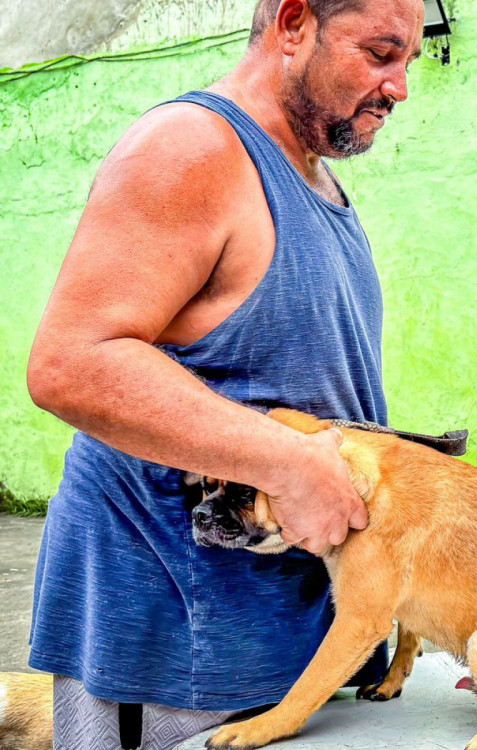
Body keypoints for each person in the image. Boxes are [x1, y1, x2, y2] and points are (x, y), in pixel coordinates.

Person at [25, 0, 424, 746]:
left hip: (294, 643)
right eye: (379, 53)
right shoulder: (191, 147)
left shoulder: (318, 179)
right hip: (177, 644)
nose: (399, 86)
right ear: (294, 22)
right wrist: (291, 465)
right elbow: (71, 364)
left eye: (410, 60)